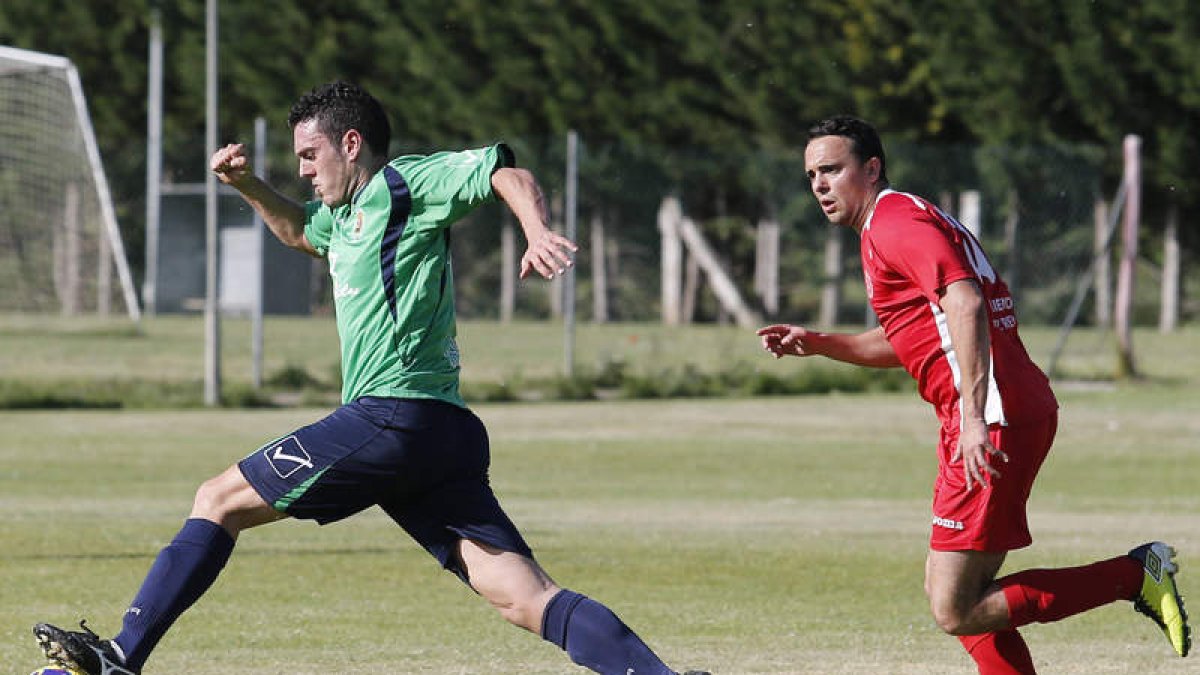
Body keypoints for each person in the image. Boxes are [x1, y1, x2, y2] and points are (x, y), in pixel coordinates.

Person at [33, 81, 708, 675]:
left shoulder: (406, 183)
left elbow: (503, 170)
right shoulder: (342, 219)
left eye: (308, 154)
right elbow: (301, 231)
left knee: (216, 499)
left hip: (392, 417)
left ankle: (121, 656)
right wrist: (245, 184)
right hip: (442, 435)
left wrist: (535, 229)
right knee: (524, 596)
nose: (303, 168)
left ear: (350, 144)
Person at [757, 115, 1190, 673]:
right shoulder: (897, 220)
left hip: (993, 416)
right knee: (956, 592)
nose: (819, 184)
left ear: (871, 168)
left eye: (832, 170)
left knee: (956, 607)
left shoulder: (892, 223)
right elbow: (916, 339)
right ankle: (1133, 575)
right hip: (1001, 409)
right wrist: (821, 344)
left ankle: (1136, 575)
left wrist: (974, 418)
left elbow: (965, 303)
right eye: (813, 174)